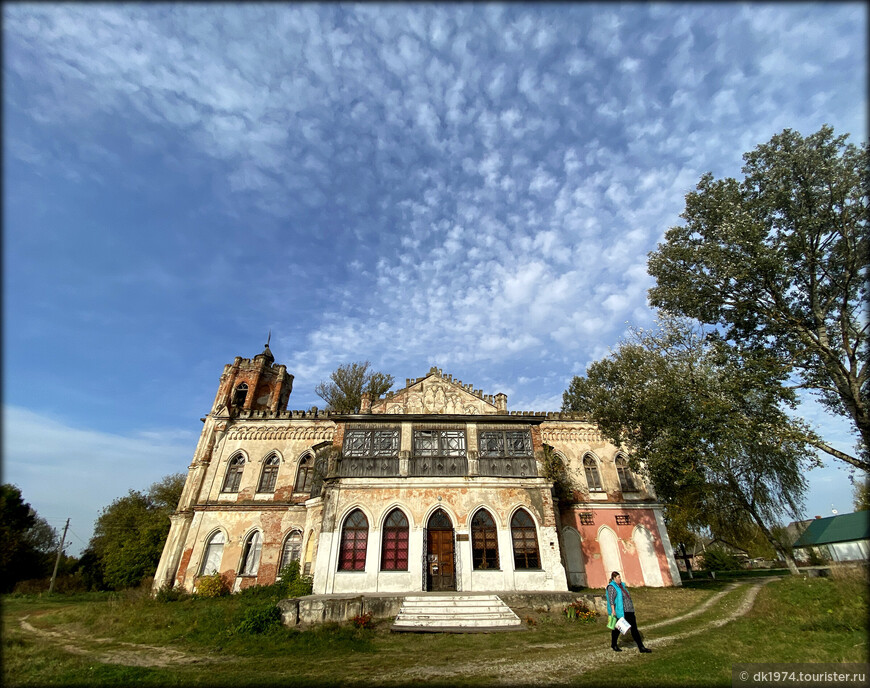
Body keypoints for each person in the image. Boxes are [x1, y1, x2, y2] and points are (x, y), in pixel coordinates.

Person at [606, 571, 652, 653]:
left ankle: (641, 647)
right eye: (618, 577)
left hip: (629, 610)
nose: (620, 579)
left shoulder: (622, 586)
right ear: (614, 578)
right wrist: (613, 611)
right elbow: (611, 600)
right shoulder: (611, 587)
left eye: (620, 577)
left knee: (634, 629)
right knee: (616, 630)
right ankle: (614, 644)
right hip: (620, 612)